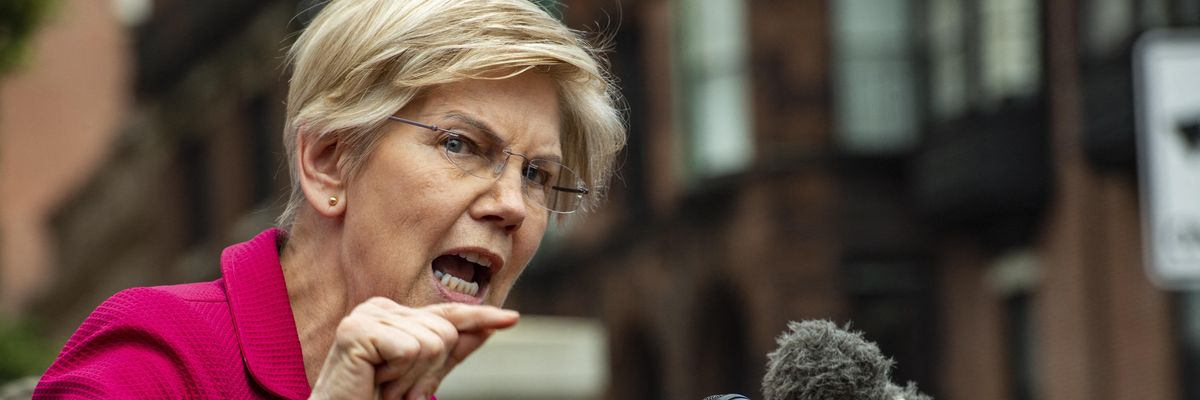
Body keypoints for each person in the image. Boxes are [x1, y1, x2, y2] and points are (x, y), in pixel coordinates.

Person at [33, 0, 625, 398]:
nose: (513, 205)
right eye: (460, 145)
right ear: (328, 162)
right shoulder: (158, 356)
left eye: (538, 175)